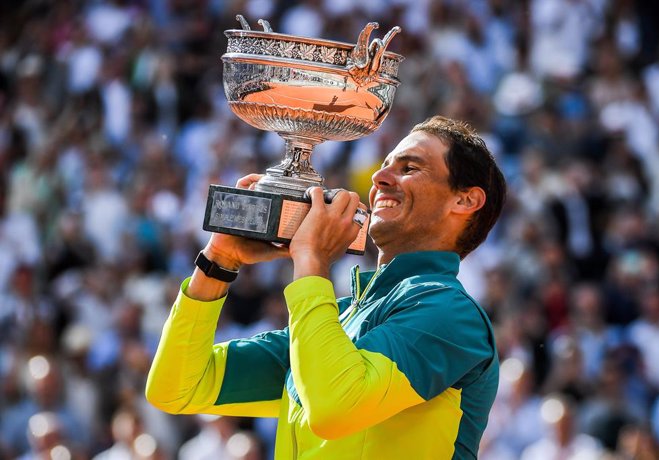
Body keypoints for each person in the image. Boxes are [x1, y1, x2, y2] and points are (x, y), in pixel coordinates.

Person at [146, 115, 507, 459]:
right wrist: (218, 262)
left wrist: (312, 260)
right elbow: (175, 388)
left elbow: (333, 408)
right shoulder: (337, 318)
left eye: (409, 168)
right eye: (385, 164)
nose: (379, 177)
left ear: (465, 200)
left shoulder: (452, 313)